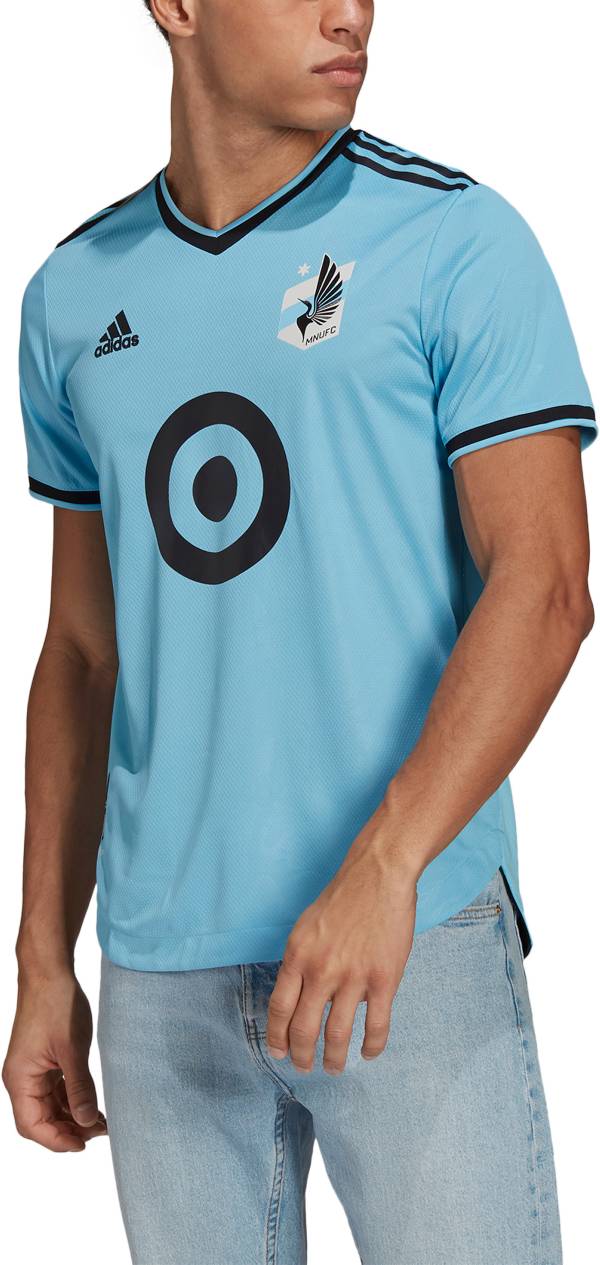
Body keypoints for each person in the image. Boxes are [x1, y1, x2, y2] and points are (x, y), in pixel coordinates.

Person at [3, 1, 596, 1261]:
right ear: (176, 6)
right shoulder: (70, 297)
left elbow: (546, 584)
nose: (353, 12)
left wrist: (388, 864)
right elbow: (83, 653)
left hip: (410, 936)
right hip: (162, 974)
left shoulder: (454, 240)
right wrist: (42, 957)